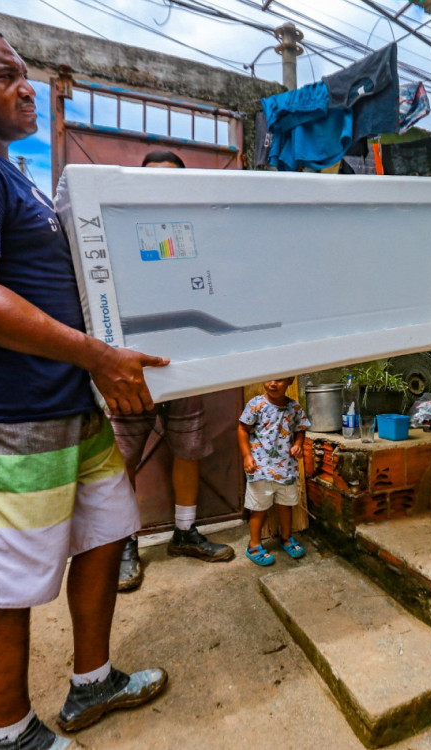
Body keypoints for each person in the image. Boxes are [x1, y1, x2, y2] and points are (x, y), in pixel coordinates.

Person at [0, 18, 167, 749]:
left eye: (25, 75)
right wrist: (98, 356)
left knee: (107, 535)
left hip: (65, 408)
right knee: (1, 588)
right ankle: (10, 736)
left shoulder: (3, 169)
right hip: (0, 419)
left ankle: (92, 681)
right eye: (4, 76)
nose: (27, 90)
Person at [111, 149, 234, 594]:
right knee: (120, 460)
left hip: (184, 362)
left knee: (189, 449)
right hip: (129, 366)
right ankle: (125, 544)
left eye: (170, 178)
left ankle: (184, 532)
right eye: (151, 178)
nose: (160, 186)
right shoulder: (115, 229)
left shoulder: (194, 231)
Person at [237, 377, 310, 566]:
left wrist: (298, 444)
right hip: (259, 467)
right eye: (268, 378)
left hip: (286, 468)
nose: (272, 383)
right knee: (258, 507)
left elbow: (300, 429)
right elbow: (242, 429)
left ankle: (286, 538)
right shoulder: (256, 404)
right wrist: (247, 456)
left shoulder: (294, 407)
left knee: (286, 505)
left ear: (290, 381)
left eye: (279, 379)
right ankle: (254, 544)